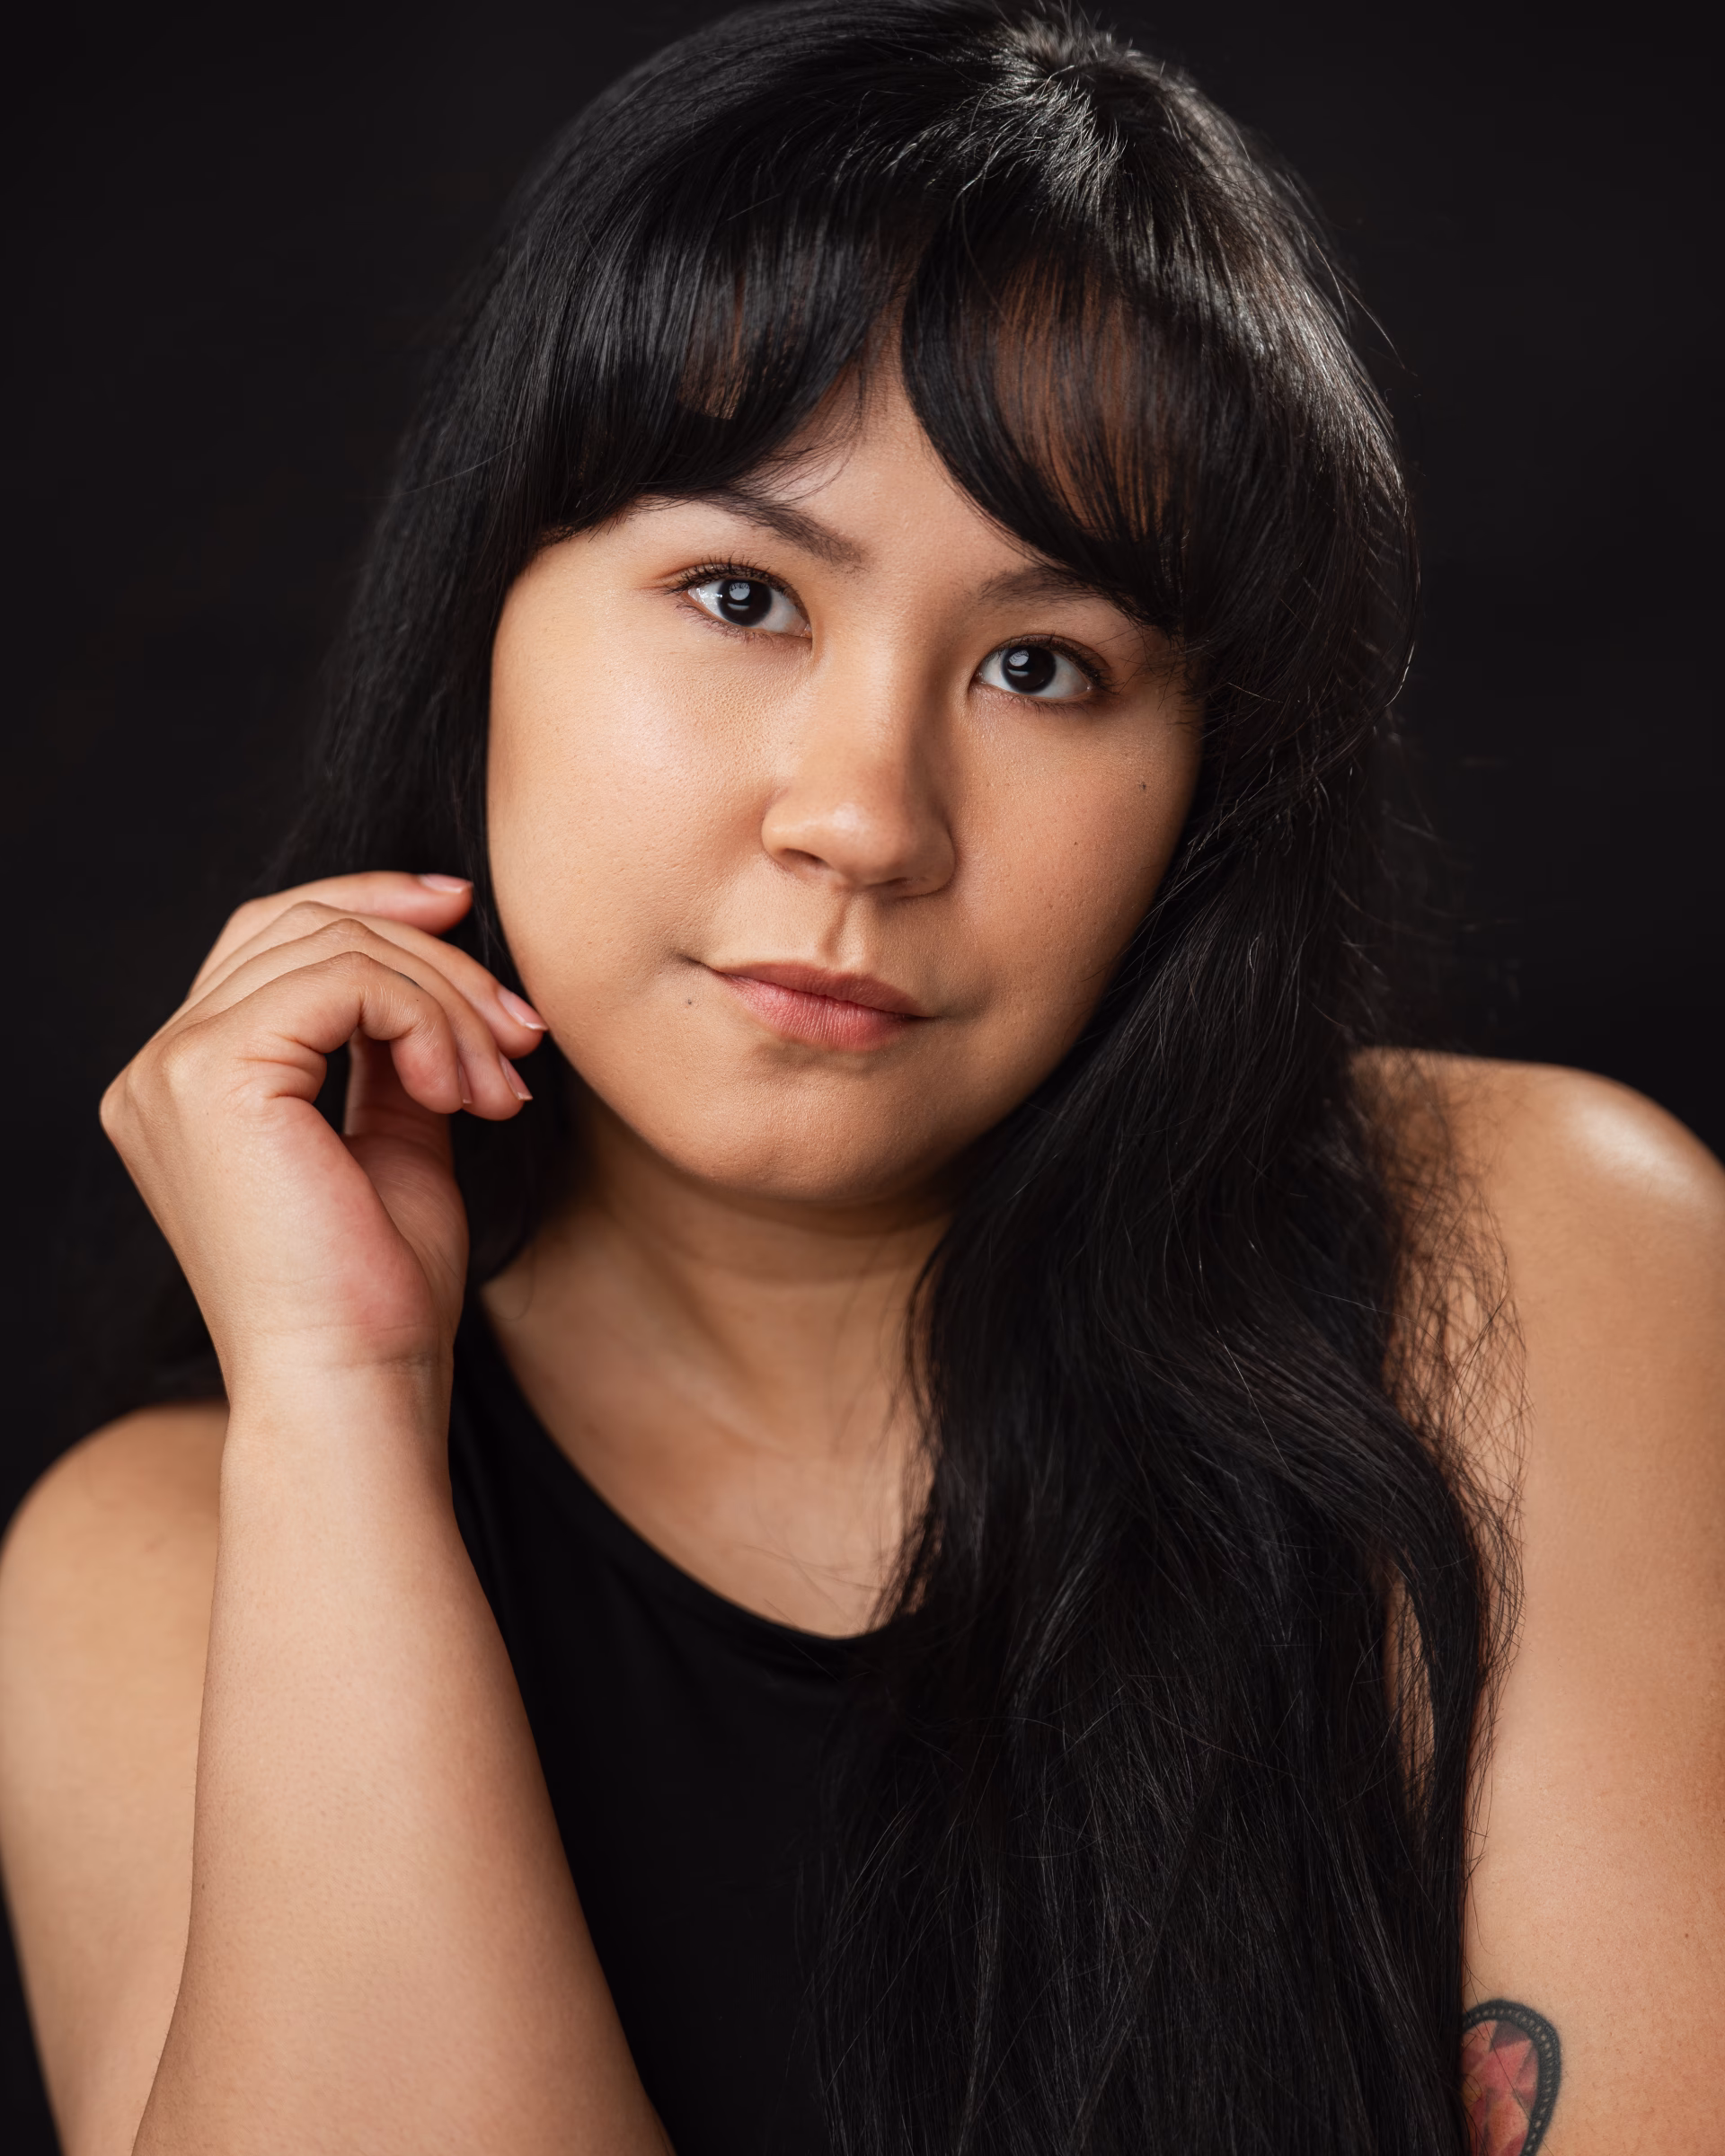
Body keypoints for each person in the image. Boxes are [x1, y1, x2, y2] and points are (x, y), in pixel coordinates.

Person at [1, 3, 1720, 2150]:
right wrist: (344, 1407)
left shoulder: (1541, 1259)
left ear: (1202, 783)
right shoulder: (158, 1560)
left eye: (1042, 667)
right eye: (742, 594)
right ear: (484, 620)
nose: (865, 818)